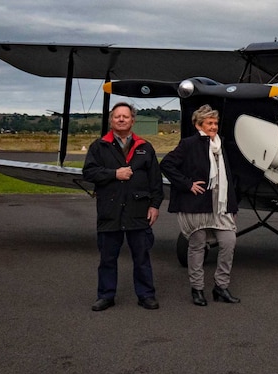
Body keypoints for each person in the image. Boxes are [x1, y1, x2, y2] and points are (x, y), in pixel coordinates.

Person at [82, 102, 163, 311]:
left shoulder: (145, 147)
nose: (121, 119)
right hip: (110, 211)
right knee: (107, 258)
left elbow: (156, 181)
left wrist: (154, 206)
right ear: (111, 120)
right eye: (117, 116)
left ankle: (146, 295)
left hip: (138, 211)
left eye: (125, 116)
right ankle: (106, 295)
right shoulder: (99, 146)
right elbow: (89, 172)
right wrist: (114, 174)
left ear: (132, 120)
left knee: (142, 257)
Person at [160, 104, 240, 306]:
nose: (214, 127)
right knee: (197, 247)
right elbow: (166, 164)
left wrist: (232, 207)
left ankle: (221, 286)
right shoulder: (188, 144)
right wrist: (187, 184)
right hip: (196, 206)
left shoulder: (221, 146)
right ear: (198, 125)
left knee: (229, 242)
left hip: (219, 206)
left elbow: (227, 178)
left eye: (215, 123)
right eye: (209, 123)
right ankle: (197, 289)